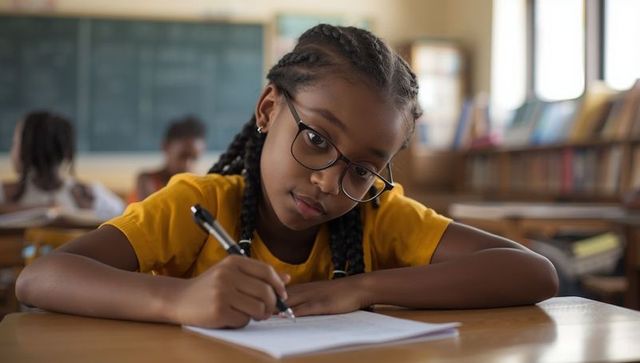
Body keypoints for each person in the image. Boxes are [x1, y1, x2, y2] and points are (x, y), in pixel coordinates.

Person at [16, 25, 558, 329]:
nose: (329, 182)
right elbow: (41, 278)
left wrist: (364, 289)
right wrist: (177, 302)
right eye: (318, 139)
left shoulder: (378, 215)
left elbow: (533, 273)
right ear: (269, 109)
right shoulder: (198, 204)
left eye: (363, 168)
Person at [0, 111, 124, 220]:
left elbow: (122, 218)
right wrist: (46, 209)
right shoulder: (91, 196)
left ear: (26, 150)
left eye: (15, 143)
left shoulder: (90, 196)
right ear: (67, 151)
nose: (12, 150)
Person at [127, 116, 206, 203]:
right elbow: (152, 214)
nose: (187, 164)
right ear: (165, 146)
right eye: (182, 156)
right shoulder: (147, 181)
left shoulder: (200, 186)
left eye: (194, 158)